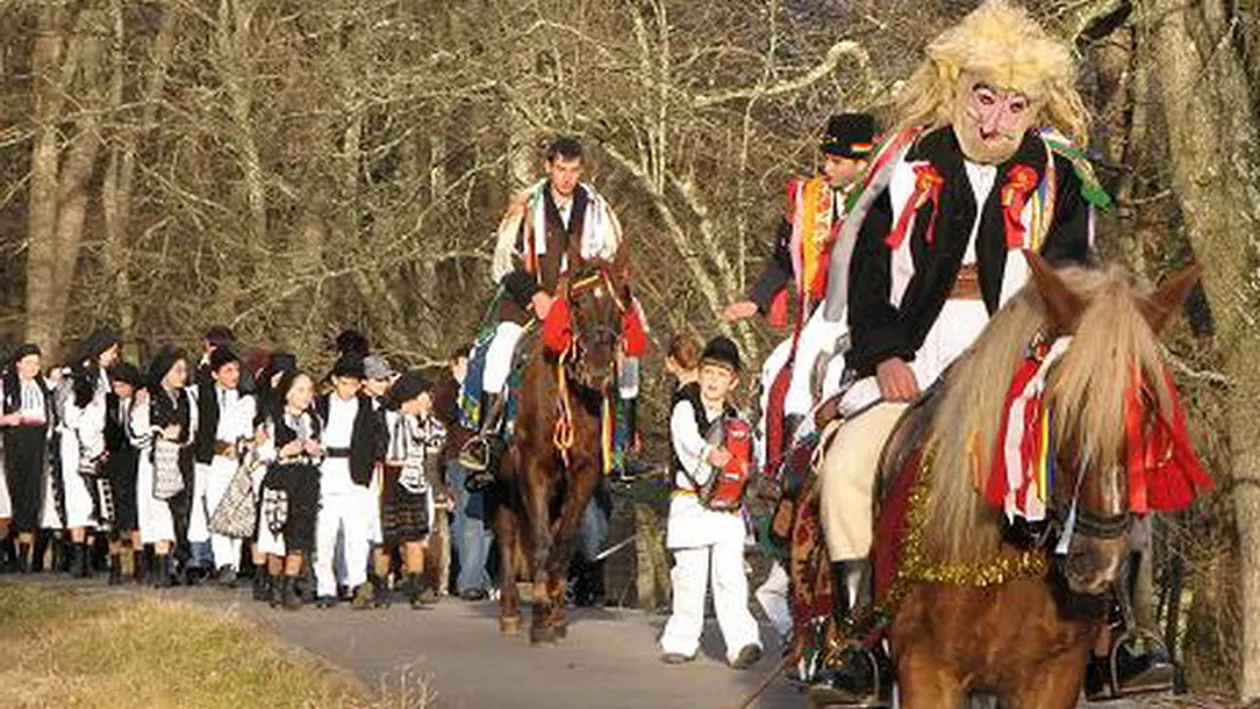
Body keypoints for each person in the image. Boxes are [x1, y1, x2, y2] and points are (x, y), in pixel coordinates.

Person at [809, 1, 1109, 703]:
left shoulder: (1062, 177)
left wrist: (1040, 359)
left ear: (1035, 109)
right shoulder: (908, 163)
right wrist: (884, 354)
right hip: (916, 349)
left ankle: (1117, 633)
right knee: (847, 462)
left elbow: (1073, 276)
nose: (995, 121)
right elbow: (869, 274)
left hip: (1023, 358)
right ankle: (857, 640)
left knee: (1107, 456)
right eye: (984, 98)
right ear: (958, 90)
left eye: (1015, 105)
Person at [459, 136, 629, 479]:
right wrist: (535, 294)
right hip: (528, 304)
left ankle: (620, 447)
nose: (567, 177)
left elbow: (611, 260)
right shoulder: (526, 206)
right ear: (548, 167)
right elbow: (505, 262)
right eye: (561, 169)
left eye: (574, 170)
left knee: (628, 359)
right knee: (499, 353)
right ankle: (488, 440)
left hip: (582, 306)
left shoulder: (597, 209)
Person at [723, 113, 877, 466]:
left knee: (817, 366)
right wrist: (756, 300)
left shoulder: (883, 198)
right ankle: (783, 463)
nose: (826, 168)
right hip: (822, 309)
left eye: (836, 162)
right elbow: (783, 259)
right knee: (775, 370)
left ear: (861, 164)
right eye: (826, 159)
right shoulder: (808, 198)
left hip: (868, 306)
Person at [659, 336, 762, 670]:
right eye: (709, 372)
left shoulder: (737, 416)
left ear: (733, 382)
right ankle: (680, 640)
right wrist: (707, 454)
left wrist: (750, 468)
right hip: (691, 502)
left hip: (727, 509)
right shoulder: (685, 405)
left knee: (730, 576)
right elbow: (685, 437)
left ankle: (742, 641)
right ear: (699, 374)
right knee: (689, 577)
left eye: (722, 374)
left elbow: (752, 451)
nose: (714, 380)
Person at [312, 354, 384, 608]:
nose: (350, 389)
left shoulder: (369, 406)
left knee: (357, 533)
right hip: (327, 469)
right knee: (325, 533)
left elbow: (379, 439)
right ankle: (325, 587)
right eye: (345, 383)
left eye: (355, 384)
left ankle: (357, 584)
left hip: (357, 471)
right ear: (334, 380)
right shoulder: (320, 405)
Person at [255, 370, 324, 610]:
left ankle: (289, 585)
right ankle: (275, 584)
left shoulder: (314, 420)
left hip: (306, 479)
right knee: (276, 536)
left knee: (300, 536)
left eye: (309, 390)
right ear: (287, 393)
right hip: (280, 480)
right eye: (301, 390)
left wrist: (316, 451)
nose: (306, 395)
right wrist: (283, 451)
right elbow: (261, 453)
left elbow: (321, 451)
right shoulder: (273, 420)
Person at [58, 327, 122, 577]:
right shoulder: (75, 377)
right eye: (111, 351)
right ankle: (77, 557)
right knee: (78, 498)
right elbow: (70, 415)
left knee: (96, 501)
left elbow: (103, 414)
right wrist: (87, 437)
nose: (114, 356)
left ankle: (90, 555)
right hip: (76, 444)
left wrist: (101, 443)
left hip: (96, 442)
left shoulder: (103, 377)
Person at [380, 371, 447, 608]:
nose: (429, 400)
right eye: (424, 395)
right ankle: (379, 584)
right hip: (393, 481)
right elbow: (392, 457)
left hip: (417, 483)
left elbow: (436, 446)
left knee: (415, 535)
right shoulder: (395, 421)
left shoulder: (428, 424)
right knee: (387, 537)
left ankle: (417, 585)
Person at [134, 346, 197, 588]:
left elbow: (192, 430)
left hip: (180, 462)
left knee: (178, 514)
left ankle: (174, 565)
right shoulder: (148, 397)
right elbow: (137, 433)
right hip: (155, 464)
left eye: (185, 370)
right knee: (158, 513)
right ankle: (160, 570)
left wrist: (180, 438)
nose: (183, 375)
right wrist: (160, 434)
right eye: (178, 370)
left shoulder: (187, 398)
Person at [435, 345, 493, 601]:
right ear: (455, 364)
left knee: (483, 523)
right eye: (466, 363)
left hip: (486, 459)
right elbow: (444, 412)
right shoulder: (449, 388)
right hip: (461, 458)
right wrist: (459, 384)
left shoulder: (486, 387)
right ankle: (470, 581)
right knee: (470, 519)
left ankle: (477, 576)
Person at [0, 344, 55, 574]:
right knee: (13, 492)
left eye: (37, 363)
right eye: (29, 362)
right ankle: (8, 553)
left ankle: (24, 557)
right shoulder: (5, 385)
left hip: (37, 440)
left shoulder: (44, 386)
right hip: (14, 439)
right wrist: (7, 419)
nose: (33, 367)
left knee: (32, 494)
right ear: (18, 364)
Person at [103, 362, 144, 584]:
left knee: (136, 513)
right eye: (115, 385)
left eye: (122, 385)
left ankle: (140, 564)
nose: (118, 390)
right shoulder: (109, 402)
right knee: (114, 515)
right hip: (114, 461)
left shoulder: (141, 401)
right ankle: (115, 565)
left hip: (135, 460)